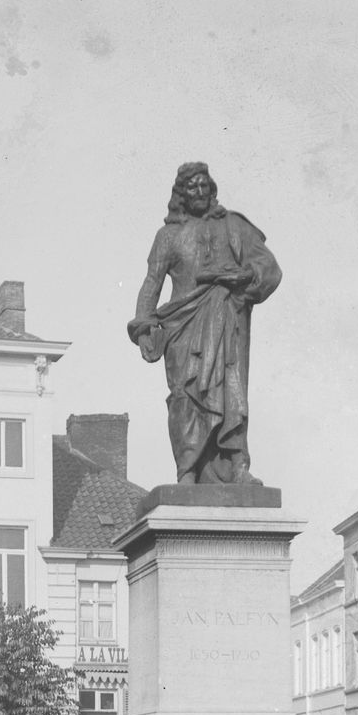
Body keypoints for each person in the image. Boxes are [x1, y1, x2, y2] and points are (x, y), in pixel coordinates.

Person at [126, 162, 284, 485]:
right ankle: (187, 470)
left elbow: (268, 266)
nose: (199, 191)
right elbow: (151, 283)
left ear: (212, 189)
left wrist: (244, 275)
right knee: (185, 397)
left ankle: (237, 466)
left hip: (227, 320)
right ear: (181, 194)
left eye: (204, 185)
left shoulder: (234, 227)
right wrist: (143, 327)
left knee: (231, 393)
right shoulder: (168, 237)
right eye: (191, 187)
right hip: (182, 327)